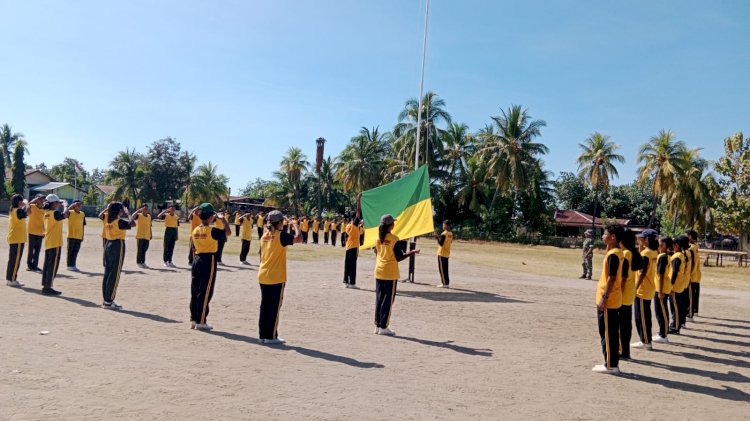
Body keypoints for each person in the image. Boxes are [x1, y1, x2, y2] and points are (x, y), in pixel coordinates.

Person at [257, 210, 302, 344]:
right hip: (276, 276)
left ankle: (263, 335)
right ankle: (271, 336)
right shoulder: (280, 235)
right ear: (280, 223)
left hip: (263, 273)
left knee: (265, 305)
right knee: (274, 307)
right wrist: (295, 224)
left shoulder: (264, 235)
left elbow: (260, 253)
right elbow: (299, 238)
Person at [373, 214, 420, 336]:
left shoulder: (378, 238)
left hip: (379, 271)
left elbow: (376, 252)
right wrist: (412, 252)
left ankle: (377, 325)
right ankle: (383, 326)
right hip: (390, 272)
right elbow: (399, 257)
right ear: (391, 225)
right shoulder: (394, 239)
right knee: (388, 300)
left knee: (379, 299)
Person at [190, 203, 230, 331]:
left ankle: (194, 318)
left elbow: (192, 247)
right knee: (206, 291)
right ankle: (201, 321)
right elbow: (228, 232)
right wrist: (222, 219)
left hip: (197, 259)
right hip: (208, 260)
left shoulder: (196, 230)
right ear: (210, 217)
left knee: (195, 290)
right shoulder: (212, 231)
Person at [592, 223, 624, 375]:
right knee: (609, 332)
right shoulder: (616, 252)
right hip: (614, 298)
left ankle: (611, 365)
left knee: (607, 333)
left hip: (609, 300)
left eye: (605, 234)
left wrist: (604, 298)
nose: (602, 236)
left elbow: (611, 278)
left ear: (613, 237)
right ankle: (611, 363)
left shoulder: (613, 255)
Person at [101, 202, 136, 309]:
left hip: (108, 245)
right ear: (119, 210)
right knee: (115, 273)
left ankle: (106, 299)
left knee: (108, 272)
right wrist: (128, 213)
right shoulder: (118, 221)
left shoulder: (109, 221)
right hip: (117, 245)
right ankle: (109, 300)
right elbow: (133, 223)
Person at [618, 229, 642, 361]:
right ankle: (625, 351)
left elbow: (623, 276)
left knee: (622, 325)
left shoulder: (626, 253)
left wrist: (618, 293)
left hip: (624, 293)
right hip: (629, 293)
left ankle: (623, 351)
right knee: (626, 324)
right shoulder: (633, 252)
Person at [632, 229, 658, 350]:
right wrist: (641, 246)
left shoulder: (646, 254)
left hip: (642, 289)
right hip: (649, 288)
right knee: (644, 315)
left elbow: (642, 273)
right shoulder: (653, 252)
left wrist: (635, 288)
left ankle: (646, 341)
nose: (639, 239)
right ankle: (645, 340)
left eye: (641, 238)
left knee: (641, 317)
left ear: (646, 239)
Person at [41, 194, 69, 296]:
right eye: (57, 202)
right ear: (53, 203)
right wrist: (66, 205)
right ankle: (48, 287)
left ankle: (45, 285)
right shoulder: (54, 213)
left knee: (47, 265)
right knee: (53, 265)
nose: (59, 204)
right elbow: (65, 215)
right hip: (55, 241)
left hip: (49, 241)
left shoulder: (46, 212)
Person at [6, 194, 36, 287]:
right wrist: (27, 203)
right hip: (17, 239)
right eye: (21, 201)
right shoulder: (18, 211)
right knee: (15, 260)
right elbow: (29, 212)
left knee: (12, 260)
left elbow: (26, 212)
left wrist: (26, 204)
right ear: (19, 202)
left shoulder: (14, 210)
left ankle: (10, 279)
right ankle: (12, 279)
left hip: (14, 238)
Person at [652, 236, 673, 344]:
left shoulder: (663, 257)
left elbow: (661, 275)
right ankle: (661, 333)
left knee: (662, 312)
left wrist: (660, 291)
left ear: (664, 245)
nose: (658, 244)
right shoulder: (663, 255)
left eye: (659, 243)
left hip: (662, 288)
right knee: (658, 312)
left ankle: (664, 334)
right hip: (659, 287)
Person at [668, 236, 687, 334]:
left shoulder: (676, 256)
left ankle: (675, 327)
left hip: (675, 285)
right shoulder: (682, 255)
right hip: (680, 284)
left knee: (674, 307)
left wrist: (670, 286)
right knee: (677, 306)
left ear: (676, 245)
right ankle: (676, 324)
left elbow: (674, 272)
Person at [685, 229, 701, 321]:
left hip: (692, 276)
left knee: (690, 295)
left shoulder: (691, 248)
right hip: (696, 275)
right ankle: (695, 311)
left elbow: (692, 263)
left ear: (690, 237)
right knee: (694, 294)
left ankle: (689, 314)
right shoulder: (695, 246)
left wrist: (689, 275)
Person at [26, 194, 45, 272]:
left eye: (42, 199)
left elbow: (44, 221)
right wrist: (31, 202)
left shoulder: (43, 210)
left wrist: (44, 231)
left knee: (37, 251)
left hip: (40, 233)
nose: (41, 201)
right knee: (31, 250)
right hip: (32, 232)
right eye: (40, 199)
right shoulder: (32, 207)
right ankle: (29, 265)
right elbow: (26, 209)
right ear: (36, 200)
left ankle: (35, 265)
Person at [66, 200, 86, 272]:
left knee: (76, 251)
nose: (79, 206)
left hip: (79, 236)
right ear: (74, 206)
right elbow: (65, 213)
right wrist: (70, 206)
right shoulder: (70, 213)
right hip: (71, 235)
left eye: (80, 205)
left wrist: (82, 235)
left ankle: (73, 264)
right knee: (70, 251)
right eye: (77, 205)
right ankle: (69, 265)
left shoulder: (82, 214)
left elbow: (83, 225)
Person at [435, 220, 453, 288]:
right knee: (445, 269)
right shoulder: (451, 233)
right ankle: (447, 283)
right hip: (447, 253)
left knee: (442, 269)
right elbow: (450, 242)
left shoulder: (444, 234)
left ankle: (444, 283)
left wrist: (437, 238)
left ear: (446, 225)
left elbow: (440, 243)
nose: (443, 226)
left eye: (443, 225)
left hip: (441, 253)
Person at [343, 217, 360, 288]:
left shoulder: (348, 226)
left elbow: (345, 235)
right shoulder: (358, 229)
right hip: (354, 248)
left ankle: (345, 282)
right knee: (353, 266)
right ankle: (352, 283)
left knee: (347, 265)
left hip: (348, 247)